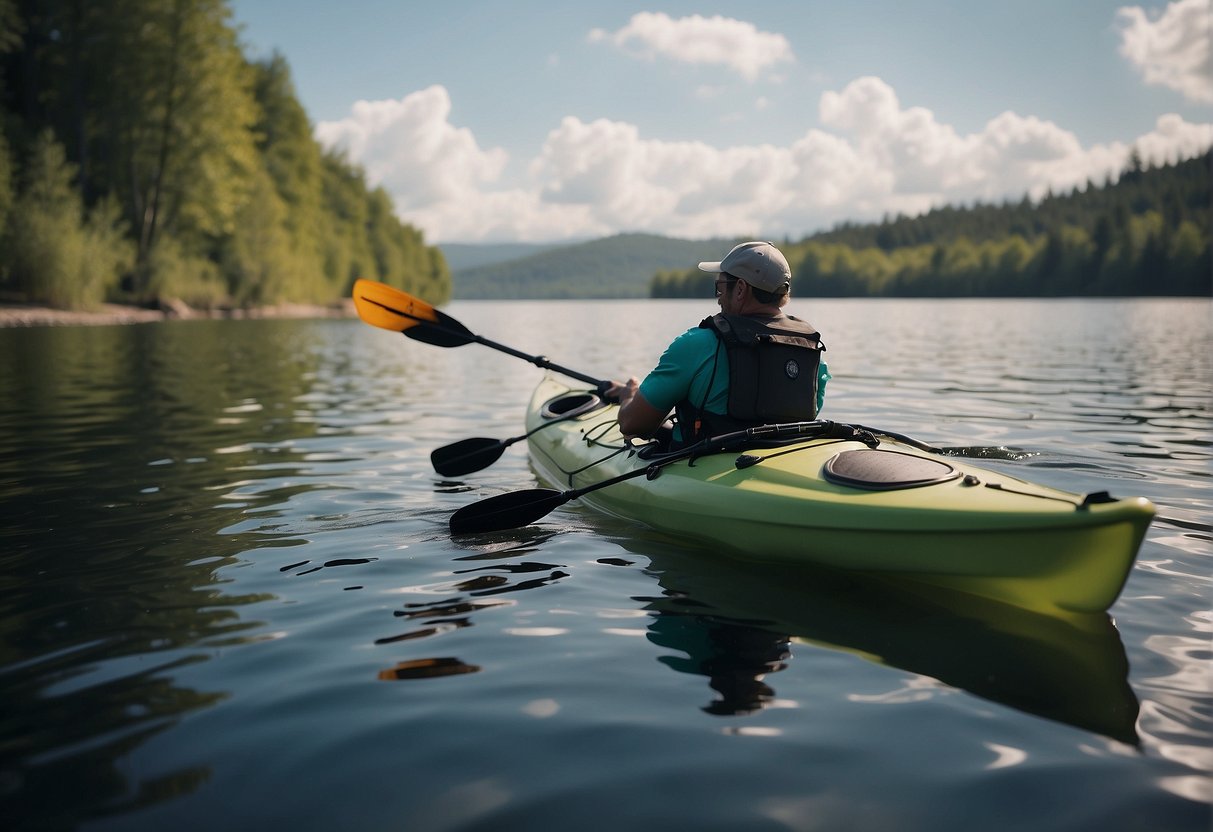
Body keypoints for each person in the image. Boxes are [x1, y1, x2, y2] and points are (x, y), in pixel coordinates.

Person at [608, 241, 829, 446]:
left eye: (721, 287)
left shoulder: (697, 344)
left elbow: (633, 425)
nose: (719, 297)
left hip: (703, 471)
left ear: (740, 289)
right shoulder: (811, 351)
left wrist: (627, 395)